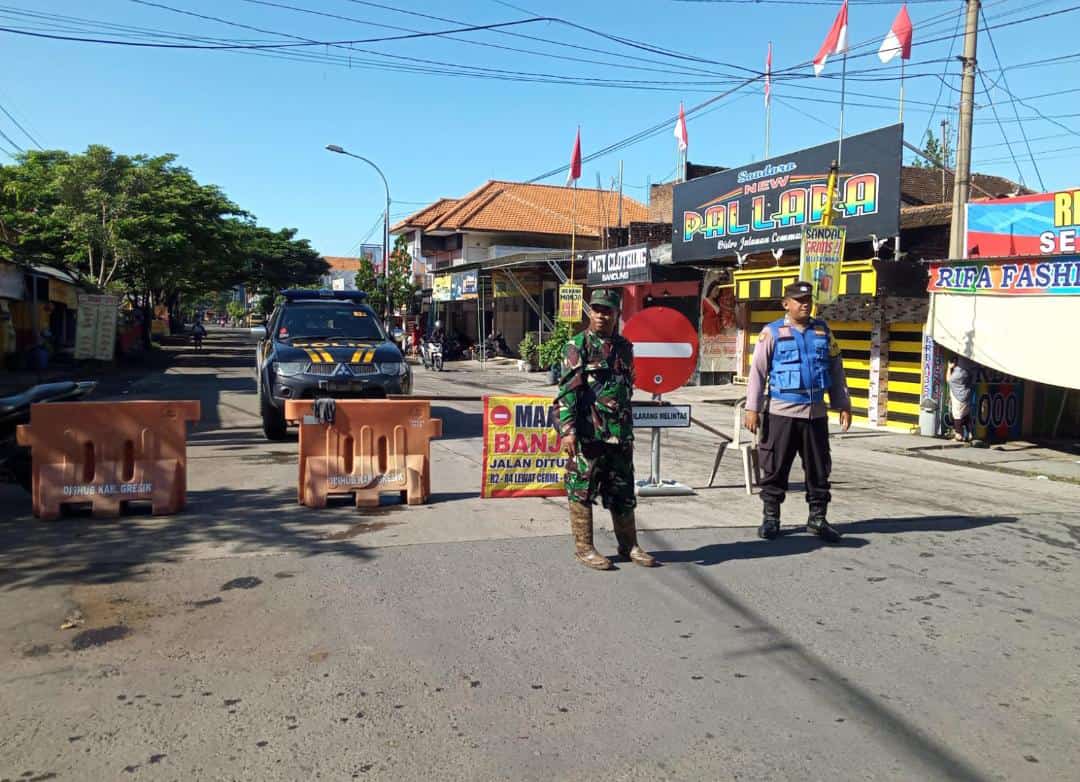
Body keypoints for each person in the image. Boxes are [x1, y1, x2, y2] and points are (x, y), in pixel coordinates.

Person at [555, 288, 656, 571]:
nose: (601, 315)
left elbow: (627, 387)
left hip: (619, 434)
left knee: (623, 491)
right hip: (589, 435)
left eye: (607, 310)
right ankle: (584, 548)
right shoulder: (578, 345)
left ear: (616, 313)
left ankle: (629, 545)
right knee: (582, 489)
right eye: (597, 309)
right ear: (590, 312)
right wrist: (568, 431)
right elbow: (566, 393)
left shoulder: (625, 347)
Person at [745, 281, 852, 543]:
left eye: (808, 300)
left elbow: (836, 369)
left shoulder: (823, 332)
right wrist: (752, 408)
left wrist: (843, 403)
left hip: (815, 415)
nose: (805, 304)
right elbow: (757, 373)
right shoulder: (771, 333)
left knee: (818, 468)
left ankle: (817, 519)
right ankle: (771, 519)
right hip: (782, 413)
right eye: (799, 300)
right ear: (786, 304)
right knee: (775, 468)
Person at [947, 353, 977, 442]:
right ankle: (970, 433)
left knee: (957, 415)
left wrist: (949, 368)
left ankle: (958, 435)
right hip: (966, 395)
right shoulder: (968, 371)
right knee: (966, 415)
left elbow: (948, 380)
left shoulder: (957, 374)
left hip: (958, 397)